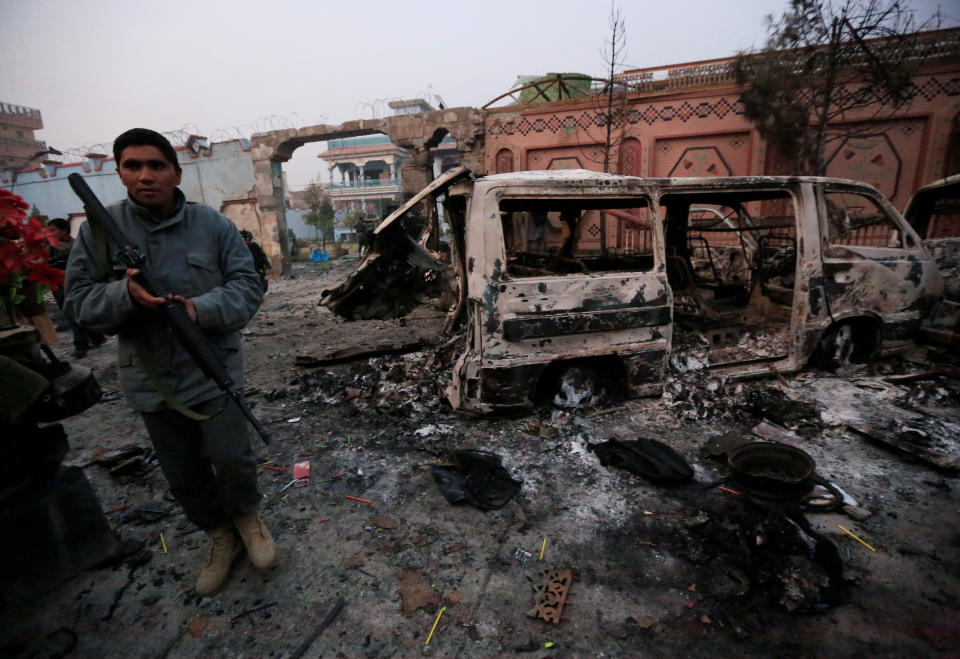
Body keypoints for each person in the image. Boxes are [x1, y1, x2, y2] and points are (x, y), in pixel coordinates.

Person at [64, 128, 274, 597]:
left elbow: (247, 286)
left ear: (177, 173)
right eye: (132, 166)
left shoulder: (212, 226)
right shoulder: (98, 234)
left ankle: (248, 521)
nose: (145, 176)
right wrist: (126, 295)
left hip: (212, 369)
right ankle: (219, 537)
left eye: (157, 165)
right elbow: (77, 305)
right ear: (118, 172)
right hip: (151, 378)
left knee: (232, 458)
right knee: (182, 473)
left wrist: (200, 309)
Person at [47, 218, 106, 358]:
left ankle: (89, 341)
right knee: (71, 314)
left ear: (64, 231)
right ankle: (87, 342)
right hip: (60, 287)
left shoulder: (77, 245)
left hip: (79, 283)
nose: (49, 233)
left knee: (84, 310)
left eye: (53, 230)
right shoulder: (49, 247)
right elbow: (47, 265)